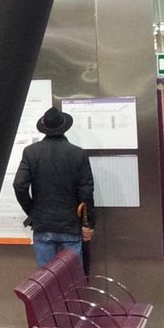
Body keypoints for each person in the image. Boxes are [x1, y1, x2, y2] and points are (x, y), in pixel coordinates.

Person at [14, 106, 96, 266]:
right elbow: (86, 192)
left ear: (45, 129)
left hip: (43, 225)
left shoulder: (31, 152)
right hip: (71, 225)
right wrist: (88, 224)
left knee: (46, 281)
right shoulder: (78, 154)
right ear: (64, 127)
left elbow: (19, 186)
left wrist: (33, 211)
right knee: (71, 279)